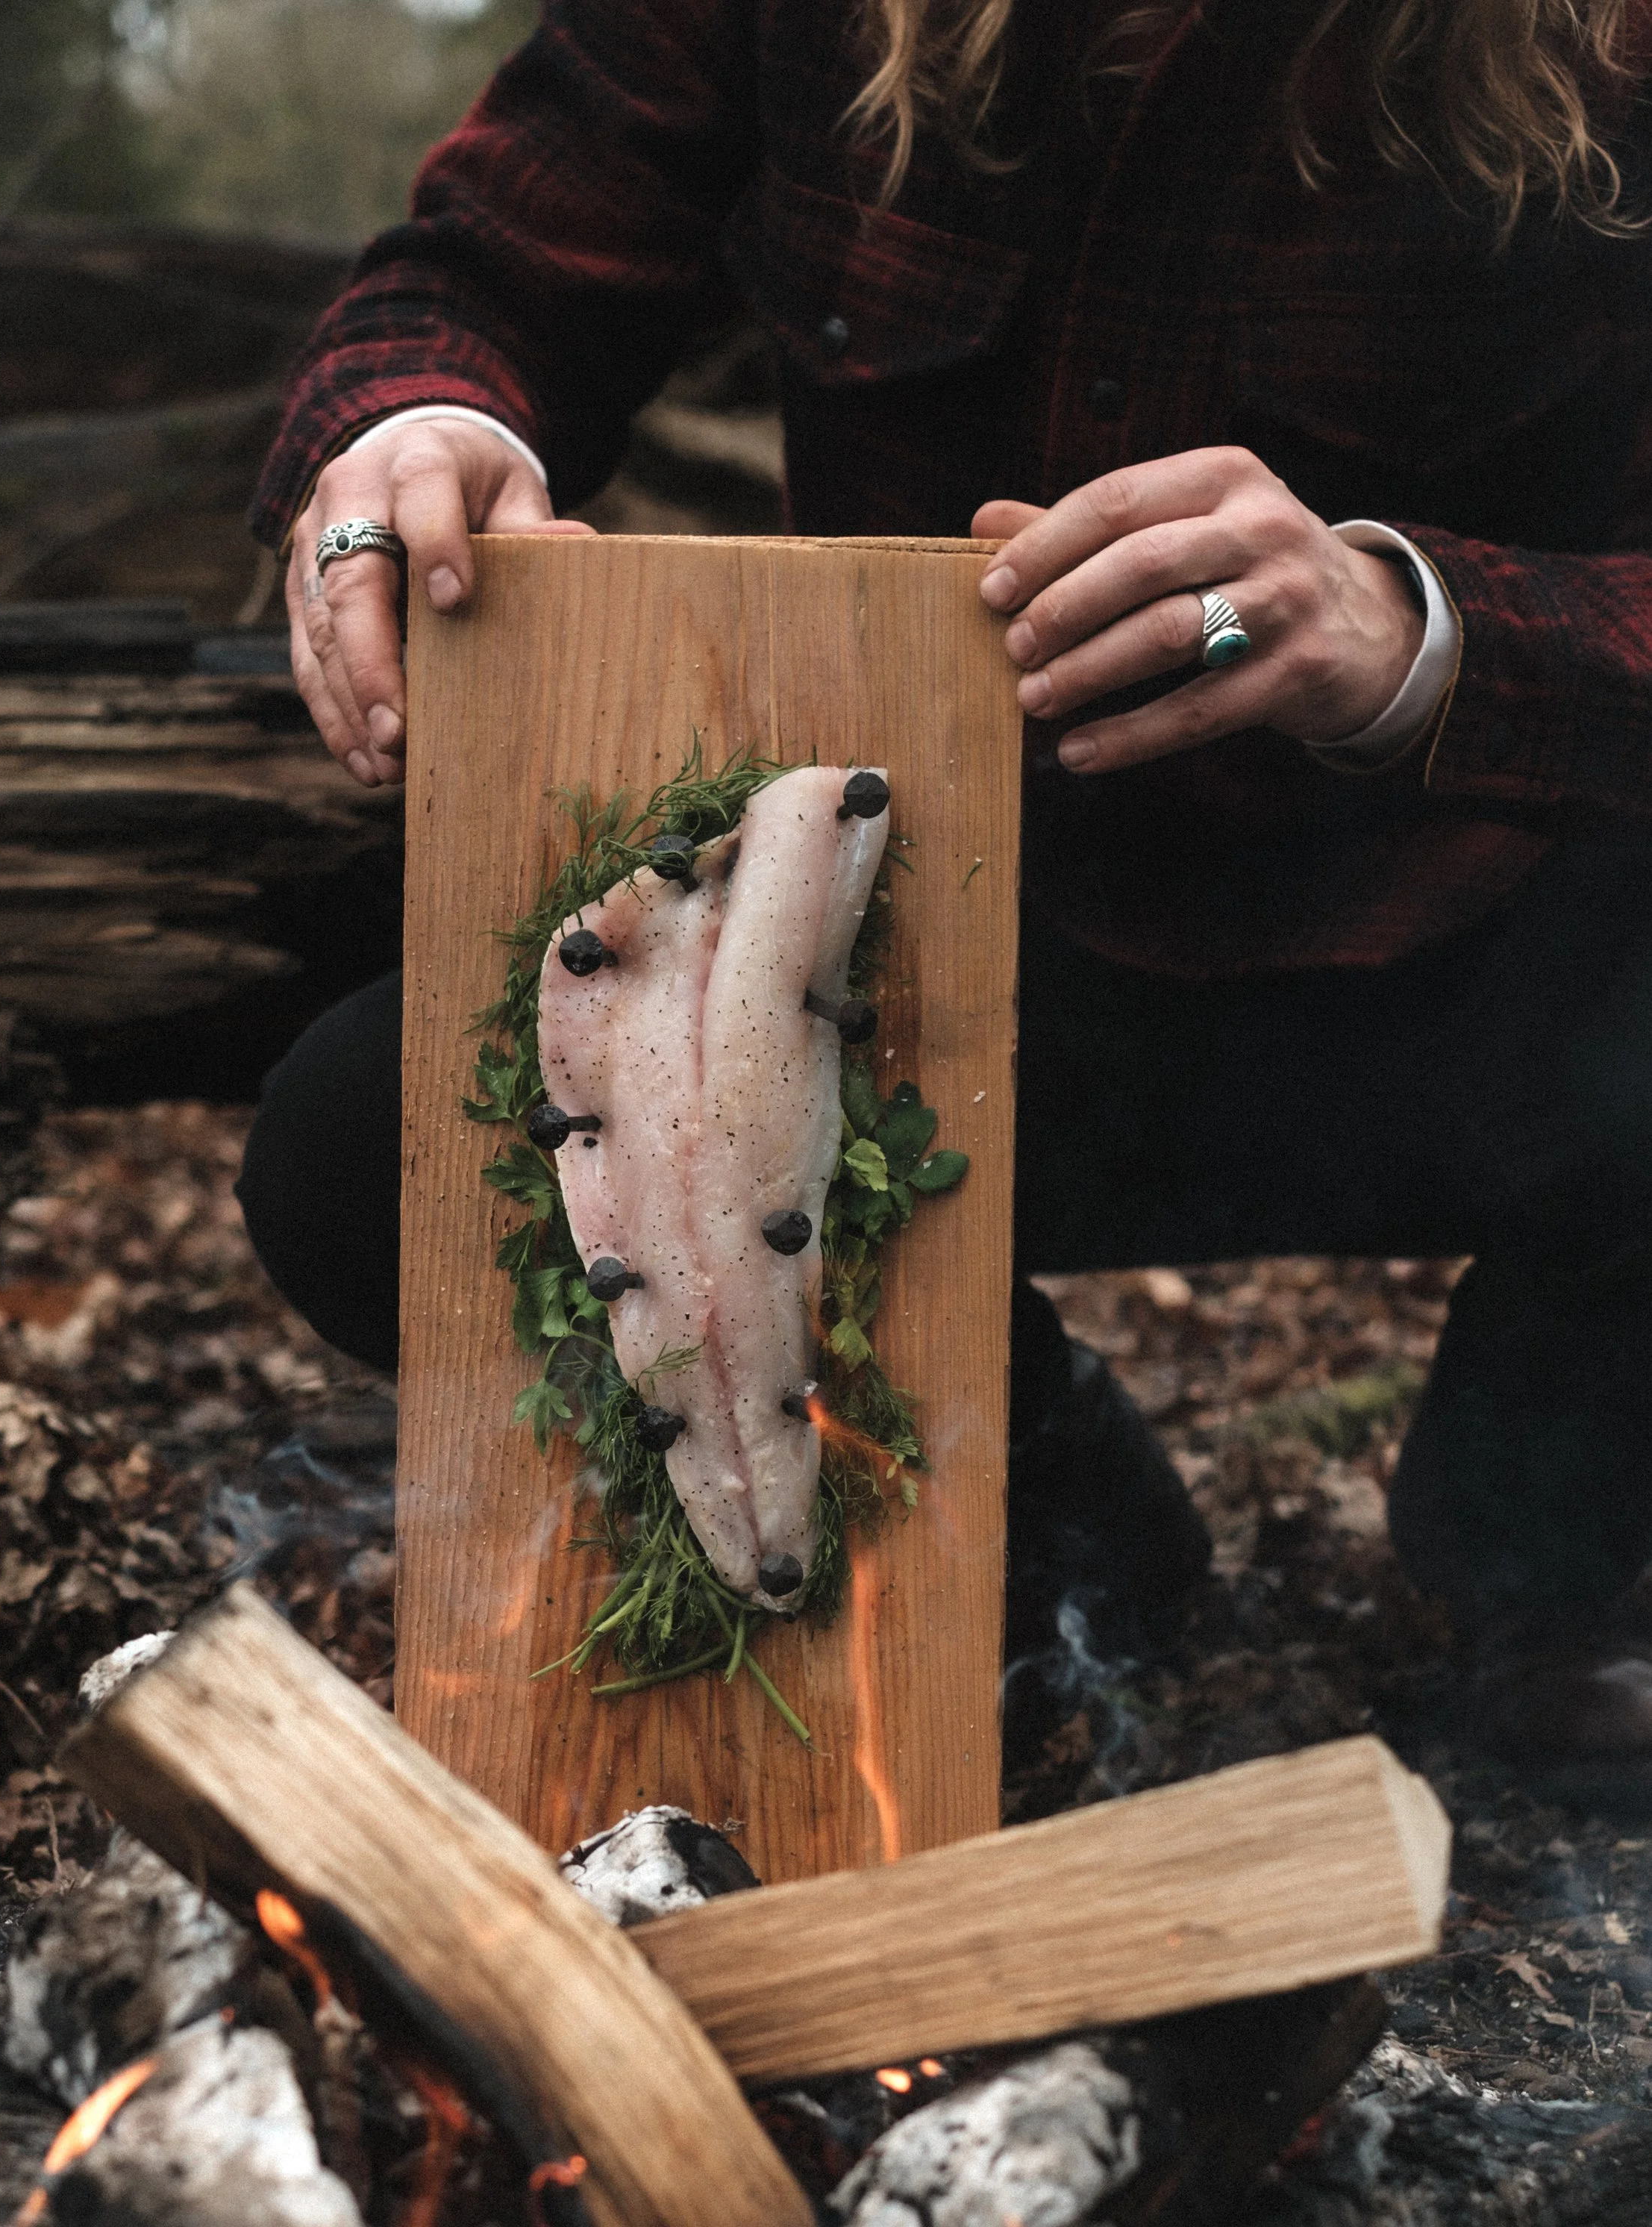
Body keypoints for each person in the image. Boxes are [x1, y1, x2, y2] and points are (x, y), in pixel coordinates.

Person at [236, 0, 1652, 1782]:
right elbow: (485, 275)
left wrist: (1415, 632)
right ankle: (1045, 1489)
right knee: (370, 1143)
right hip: (949, 973)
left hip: (1488, 968)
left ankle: (1554, 1564)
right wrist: (407, 434)